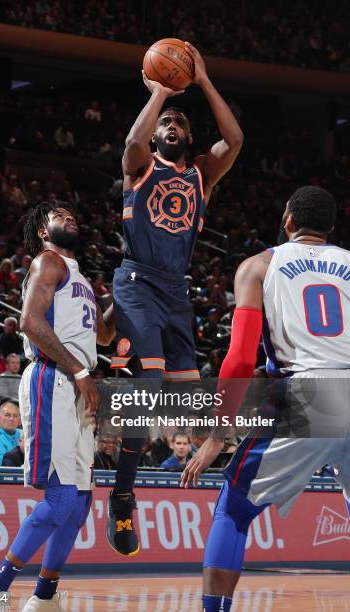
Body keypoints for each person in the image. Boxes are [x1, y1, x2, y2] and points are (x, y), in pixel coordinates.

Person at [181, 186, 350, 612]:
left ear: (288, 219)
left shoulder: (260, 265)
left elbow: (239, 360)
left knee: (233, 509)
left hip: (307, 391)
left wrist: (219, 435)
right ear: (330, 228)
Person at [108, 41, 243, 555]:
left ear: (189, 138)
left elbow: (235, 138)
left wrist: (203, 81)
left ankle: (218, 466)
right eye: (168, 122)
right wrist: (160, 94)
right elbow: (131, 140)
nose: (172, 127)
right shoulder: (140, 166)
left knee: (187, 399)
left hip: (176, 291)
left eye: (181, 124)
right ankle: (123, 495)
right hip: (137, 281)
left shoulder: (200, 175)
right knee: (148, 379)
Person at [0, 202, 115, 611]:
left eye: (73, 213)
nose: (71, 216)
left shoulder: (82, 278)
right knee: (62, 500)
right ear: (43, 232)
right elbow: (31, 321)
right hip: (55, 376)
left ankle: (44, 597)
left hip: (78, 381)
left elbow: (104, 337)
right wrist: (80, 373)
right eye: (59, 215)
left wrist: (129, 294)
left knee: (82, 502)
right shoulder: (47, 262)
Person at [0, 401, 21, 466]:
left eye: (15, 416)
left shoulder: (22, 434)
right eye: (7, 415)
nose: (11, 419)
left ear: (19, 420)